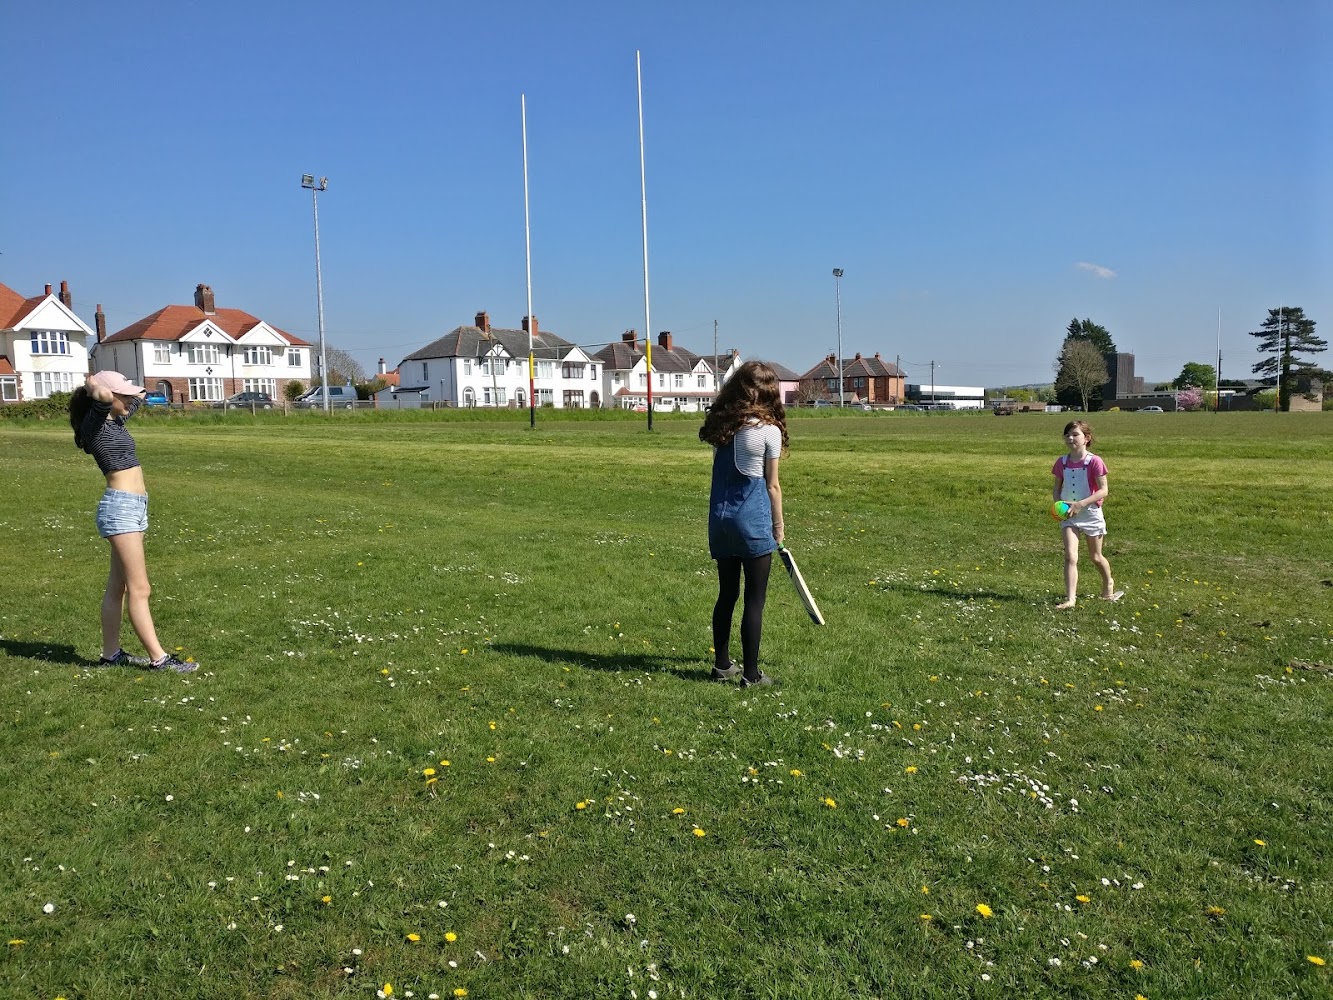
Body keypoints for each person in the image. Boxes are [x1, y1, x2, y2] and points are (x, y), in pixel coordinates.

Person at [69, 372, 198, 671]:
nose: (129, 400)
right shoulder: (94, 426)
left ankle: (110, 654)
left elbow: (138, 396)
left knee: (119, 587)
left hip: (134, 507)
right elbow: (103, 397)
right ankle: (159, 659)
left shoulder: (116, 420)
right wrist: (93, 384)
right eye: (122, 395)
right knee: (141, 589)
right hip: (121, 508)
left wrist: (125, 391)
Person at [699, 360, 788, 686]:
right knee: (755, 600)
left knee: (727, 594)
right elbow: (772, 486)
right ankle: (751, 674)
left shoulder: (721, 427)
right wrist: (778, 527)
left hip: (720, 522)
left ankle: (722, 665)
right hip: (751, 524)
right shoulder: (769, 431)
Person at [1052, 419, 1123, 609]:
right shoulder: (1061, 462)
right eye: (1067, 435)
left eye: (1075, 434)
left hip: (1090, 514)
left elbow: (1103, 490)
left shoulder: (1094, 461)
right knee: (1070, 556)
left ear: (1087, 438)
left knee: (1096, 557)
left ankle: (1108, 583)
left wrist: (1081, 504)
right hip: (1069, 516)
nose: (1070, 438)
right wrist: (1059, 505)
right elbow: (1056, 488)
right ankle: (1070, 599)